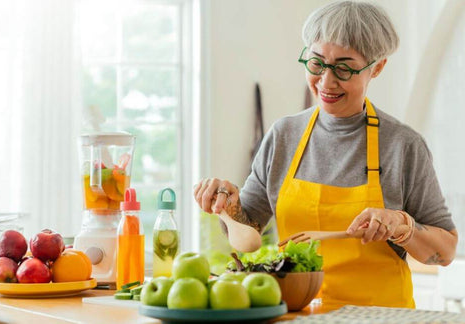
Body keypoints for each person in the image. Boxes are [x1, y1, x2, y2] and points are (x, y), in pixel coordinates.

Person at [193, 1, 458, 308]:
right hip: (298, 314)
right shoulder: (284, 136)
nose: (326, 82)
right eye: (317, 64)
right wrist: (228, 203)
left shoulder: (403, 146)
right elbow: (248, 231)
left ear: (378, 67)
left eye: (344, 68)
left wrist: (401, 225)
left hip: (383, 317)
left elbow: (445, 251)